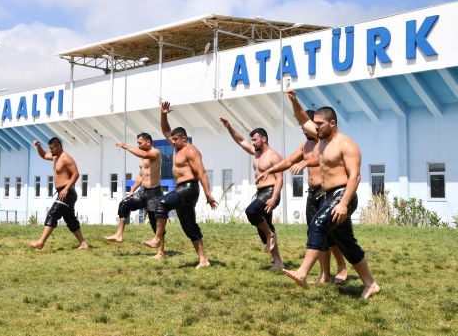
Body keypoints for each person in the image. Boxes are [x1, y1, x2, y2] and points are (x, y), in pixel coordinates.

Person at [282, 90, 380, 299]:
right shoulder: (321, 138)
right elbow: (301, 118)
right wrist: (294, 100)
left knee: (317, 224)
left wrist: (343, 204)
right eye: (314, 123)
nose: (315, 127)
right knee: (345, 242)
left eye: (320, 124)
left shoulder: (345, 144)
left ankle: (302, 272)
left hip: (343, 194)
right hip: (329, 196)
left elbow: (355, 177)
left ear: (332, 123)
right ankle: (370, 284)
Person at [256, 110, 348, 283]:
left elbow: (322, 160)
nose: (303, 130)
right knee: (315, 233)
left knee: (331, 234)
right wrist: (270, 170)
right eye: (301, 128)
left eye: (306, 127)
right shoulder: (305, 146)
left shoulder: (325, 143)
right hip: (312, 193)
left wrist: (305, 162)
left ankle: (342, 266)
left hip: (326, 192)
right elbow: (289, 161)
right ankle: (324, 275)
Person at [143, 101, 217, 268]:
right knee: (188, 225)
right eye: (172, 139)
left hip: (189, 188)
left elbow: (202, 173)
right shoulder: (177, 148)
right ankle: (204, 260)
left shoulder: (190, 150)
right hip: (181, 190)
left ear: (184, 138)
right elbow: (166, 130)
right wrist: (163, 114)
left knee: (161, 204)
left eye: (176, 139)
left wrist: (208, 193)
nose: (173, 142)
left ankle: (157, 239)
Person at [220, 118, 285, 270]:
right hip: (260, 192)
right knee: (264, 228)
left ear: (264, 139)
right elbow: (240, 140)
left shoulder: (273, 156)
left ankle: (270, 235)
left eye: (255, 140)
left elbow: (280, 179)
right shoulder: (256, 154)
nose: (253, 142)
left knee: (251, 211)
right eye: (252, 140)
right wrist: (229, 126)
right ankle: (278, 262)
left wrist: (274, 198)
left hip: (270, 192)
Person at [104, 133, 166, 259]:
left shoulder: (155, 153)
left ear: (148, 142)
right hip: (143, 192)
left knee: (155, 222)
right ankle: (119, 235)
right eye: (137, 143)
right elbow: (141, 176)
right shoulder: (142, 158)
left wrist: (125, 146)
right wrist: (132, 189)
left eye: (140, 142)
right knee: (124, 204)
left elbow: (143, 154)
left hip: (154, 192)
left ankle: (160, 252)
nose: (138, 145)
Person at [28, 137, 89, 250]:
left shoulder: (66, 158)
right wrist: (38, 146)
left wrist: (66, 189)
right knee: (70, 219)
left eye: (52, 148)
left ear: (59, 147)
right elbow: (44, 155)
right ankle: (83, 243)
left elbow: (76, 174)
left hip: (67, 192)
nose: (50, 150)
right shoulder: (56, 157)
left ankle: (41, 242)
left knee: (53, 214)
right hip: (63, 192)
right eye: (50, 148)